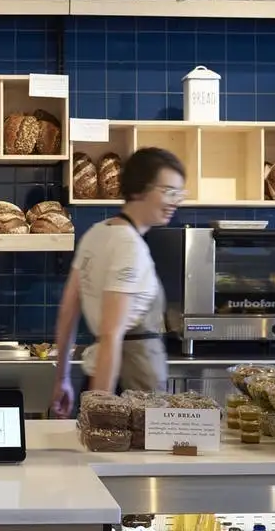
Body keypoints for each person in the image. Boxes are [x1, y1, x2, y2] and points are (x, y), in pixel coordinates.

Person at [51, 147, 186, 417]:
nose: (175, 202)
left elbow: (68, 311)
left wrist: (62, 378)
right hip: (131, 386)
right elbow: (112, 334)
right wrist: (102, 411)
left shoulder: (97, 233)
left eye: (179, 194)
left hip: (102, 379)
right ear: (139, 189)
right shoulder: (129, 247)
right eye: (168, 191)